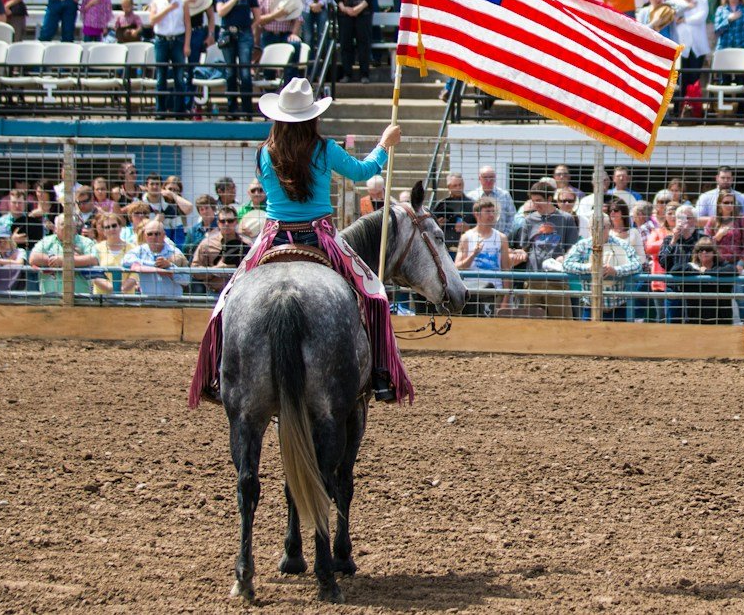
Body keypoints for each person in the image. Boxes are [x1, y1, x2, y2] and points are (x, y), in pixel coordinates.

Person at [187, 77, 407, 407]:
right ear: (313, 117)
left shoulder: (263, 154)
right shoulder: (325, 149)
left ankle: (217, 373)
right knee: (375, 294)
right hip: (320, 236)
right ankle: (379, 373)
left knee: (226, 301)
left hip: (273, 236)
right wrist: (384, 144)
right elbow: (363, 172)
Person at [455, 197, 510, 314]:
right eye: (487, 212)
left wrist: (505, 300)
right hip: (472, 292)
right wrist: (473, 254)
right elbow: (458, 267)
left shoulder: (501, 238)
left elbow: (506, 270)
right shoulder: (467, 237)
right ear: (477, 214)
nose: (491, 215)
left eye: (493, 211)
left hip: (495, 292)